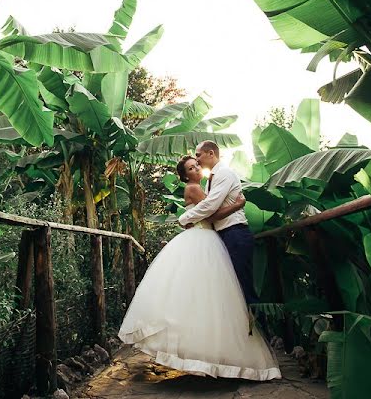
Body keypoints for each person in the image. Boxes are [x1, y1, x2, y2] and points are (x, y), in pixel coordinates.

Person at [117, 155, 281, 380]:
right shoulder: (194, 188)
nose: (196, 169)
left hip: (206, 238)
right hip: (203, 238)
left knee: (204, 298)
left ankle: (206, 352)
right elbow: (212, 214)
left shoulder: (201, 186)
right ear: (185, 175)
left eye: (196, 166)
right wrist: (237, 205)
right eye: (191, 168)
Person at [180, 140, 258, 303]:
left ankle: (258, 326)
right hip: (224, 235)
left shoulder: (224, 174)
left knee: (243, 288)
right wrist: (236, 205)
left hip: (235, 233)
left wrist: (185, 218)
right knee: (233, 289)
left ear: (211, 153)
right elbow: (209, 211)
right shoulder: (210, 180)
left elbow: (209, 207)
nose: (197, 160)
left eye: (198, 155)